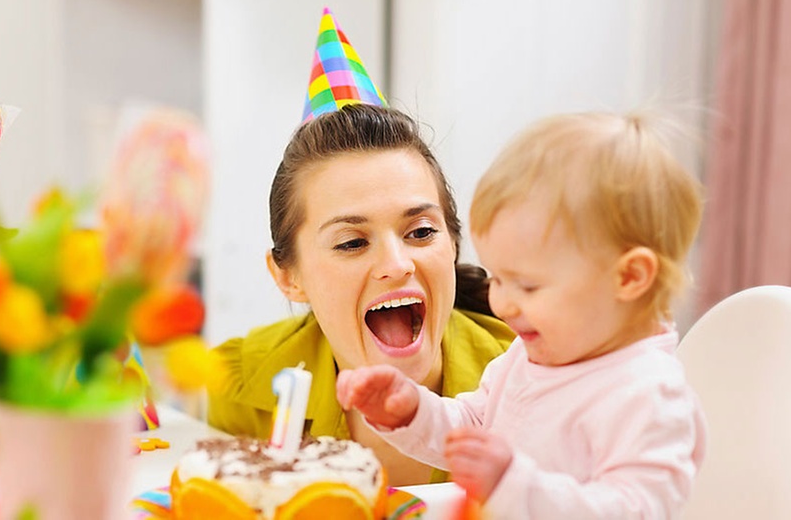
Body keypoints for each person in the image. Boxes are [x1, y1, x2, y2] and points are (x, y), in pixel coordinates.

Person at [337, 110, 708, 517]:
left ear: (630, 277)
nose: (503, 304)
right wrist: (412, 412)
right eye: (498, 279)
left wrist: (513, 484)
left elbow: (634, 510)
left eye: (528, 286)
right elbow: (475, 428)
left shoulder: (648, 395)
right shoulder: (530, 354)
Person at [206, 103, 516, 486]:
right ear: (288, 278)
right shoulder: (239, 386)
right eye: (352, 242)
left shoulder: (538, 376)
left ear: (453, 244)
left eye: (421, 232)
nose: (397, 264)